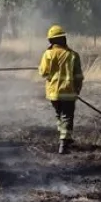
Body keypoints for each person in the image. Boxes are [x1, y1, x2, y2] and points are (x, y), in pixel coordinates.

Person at [38, 25, 84, 154]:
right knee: (67, 116)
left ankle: (65, 137)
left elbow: (43, 73)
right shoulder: (73, 55)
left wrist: (43, 70)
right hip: (68, 91)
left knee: (59, 115)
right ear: (63, 39)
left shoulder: (47, 54)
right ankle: (64, 142)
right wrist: (78, 89)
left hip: (53, 93)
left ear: (51, 40)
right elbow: (78, 76)